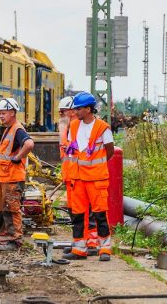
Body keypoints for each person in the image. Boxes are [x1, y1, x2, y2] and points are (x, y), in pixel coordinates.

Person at [63, 92, 115, 262]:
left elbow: (110, 151)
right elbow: (73, 149)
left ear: (88, 109)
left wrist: (96, 165)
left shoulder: (103, 128)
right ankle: (79, 249)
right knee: (78, 214)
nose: (75, 111)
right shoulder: (74, 126)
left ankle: (104, 248)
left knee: (100, 214)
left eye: (78, 108)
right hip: (77, 178)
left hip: (96, 179)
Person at [0, 98, 35, 251]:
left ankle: (15, 241)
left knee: (11, 209)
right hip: (4, 178)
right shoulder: (9, 129)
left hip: (13, 179)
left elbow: (29, 144)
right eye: (0, 114)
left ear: (13, 113)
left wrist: (18, 157)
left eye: (4, 113)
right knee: (2, 211)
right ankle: (4, 240)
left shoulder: (17, 129)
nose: (1, 116)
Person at [59, 96, 98, 256]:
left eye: (63, 112)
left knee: (86, 211)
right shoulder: (70, 128)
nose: (61, 116)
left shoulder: (82, 129)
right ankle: (80, 243)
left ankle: (91, 244)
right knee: (76, 213)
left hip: (82, 177)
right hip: (72, 177)